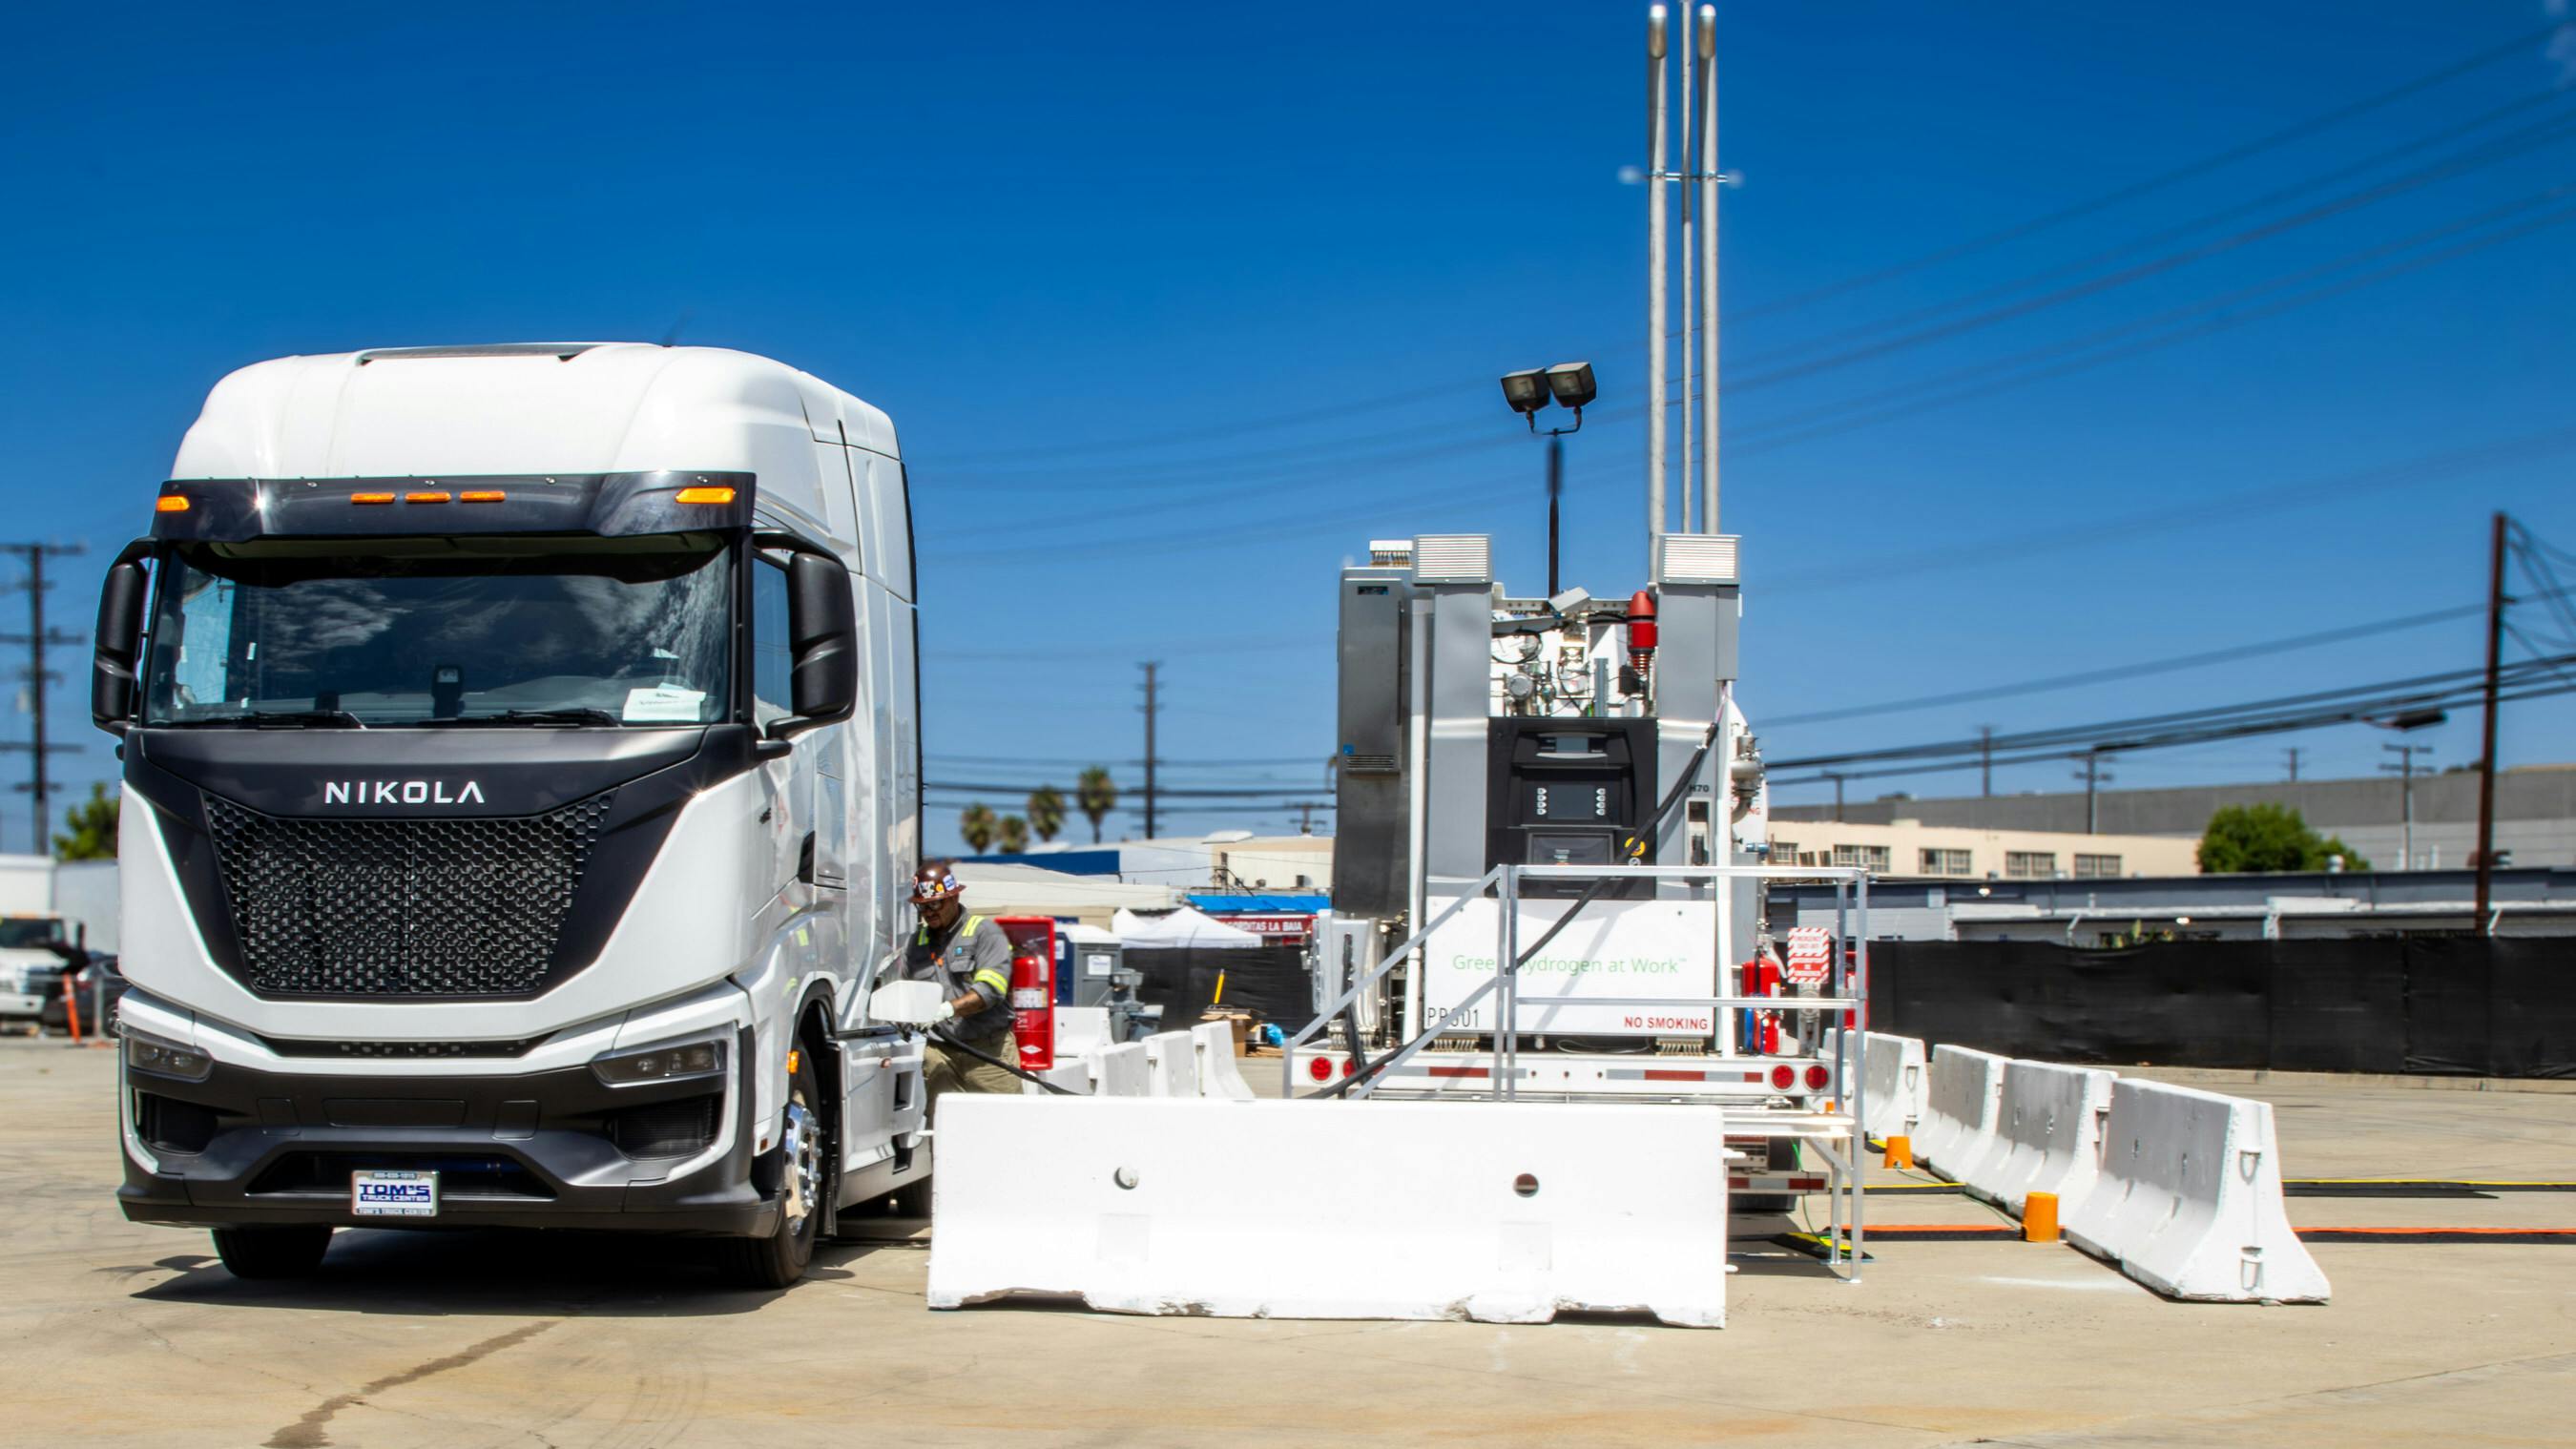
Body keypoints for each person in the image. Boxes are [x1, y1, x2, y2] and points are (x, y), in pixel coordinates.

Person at [903, 861, 1021, 1103]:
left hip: (989, 1054)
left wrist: (947, 1009)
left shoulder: (985, 933)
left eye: (935, 903)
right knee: (943, 1128)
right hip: (939, 1053)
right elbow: (903, 990)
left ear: (954, 897)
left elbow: (990, 991)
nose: (929, 912)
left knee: (1003, 1126)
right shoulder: (916, 944)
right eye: (923, 907)